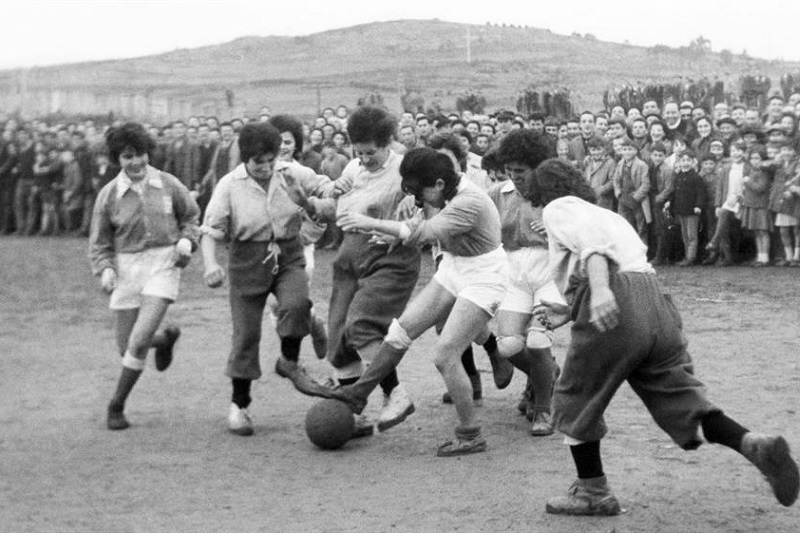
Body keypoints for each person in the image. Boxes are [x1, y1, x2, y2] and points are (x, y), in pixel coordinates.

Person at [526, 157, 799, 515]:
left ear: (543, 192)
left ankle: (593, 493)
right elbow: (619, 261)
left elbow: (594, 249)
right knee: (680, 396)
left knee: (575, 398)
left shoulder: (559, 208)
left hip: (616, 298)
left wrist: (603, 292)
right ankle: (751, 444)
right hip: (655, 302)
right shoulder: (608, 214)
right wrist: (571, 308)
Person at [333, 147, 508, 456]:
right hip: (455, 266)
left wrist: (368, 222)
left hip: (484, 276)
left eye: (419, 193)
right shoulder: (443, 190)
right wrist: (402, 223)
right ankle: (359, 393)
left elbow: (423, 232)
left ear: (439, 184)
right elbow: (416, 223)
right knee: (399, 331)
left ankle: (470, 434)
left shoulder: (469, 201)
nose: (416, 199)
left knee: (445, 354)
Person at [200, 122, 334, 437]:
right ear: (245, 158)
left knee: (297, 303)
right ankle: (239, 405)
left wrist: (313, 200)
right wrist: (209, 265)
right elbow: (211, 231)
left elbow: (329, 188)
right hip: (247, 260)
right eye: (257, 161)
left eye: (269, 160)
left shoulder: (291, 172)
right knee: (246, 336)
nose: (264, 167)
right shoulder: (229, 185)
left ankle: (289, 361)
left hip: (288, 253)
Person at [310, 106, 422, 436]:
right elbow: (339, 211)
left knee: (362, 325)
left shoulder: (407, 170)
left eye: (370, 152)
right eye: (359, 152)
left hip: (389, 257)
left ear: (388, 142)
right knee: (339, 342)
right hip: (349, 257)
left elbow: (422, 214)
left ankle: (395, 394)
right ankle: (352, 414)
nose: (364, 158)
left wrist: (406, 207)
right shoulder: (353, 167)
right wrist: (310, 203)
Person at [89, 122, 201, 430]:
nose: (136, 162)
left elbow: (191, 217)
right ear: (117, 159)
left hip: (163, 263)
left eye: (140, 154)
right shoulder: (108, 195)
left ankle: (116, 405)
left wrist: (188, 241)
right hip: (126, 269)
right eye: (127, 157)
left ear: (148, 152)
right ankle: (165, 339)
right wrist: (106, 269)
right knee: (126, 348)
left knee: (138, 342)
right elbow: (99, 244)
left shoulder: (168, 184)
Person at [492, 129, 565, 435]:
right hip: (513, 270)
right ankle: (546, 374)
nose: (514, 176)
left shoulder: (558, 195)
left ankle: (545, 410)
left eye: (520, 171)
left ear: (539, 167)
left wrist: (556, 235)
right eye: (509, 170)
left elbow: (583, 235)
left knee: (537, 341)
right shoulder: (498, 194)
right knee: (508, 345)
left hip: (549, 269)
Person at [740, 145, 774, 266]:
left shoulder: (764, 172)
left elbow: (760, 188)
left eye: (757, 158)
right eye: (753, 158)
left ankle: (765, 257)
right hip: (751, 205)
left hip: (761, 206)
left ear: (762, 159)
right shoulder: (751, 171)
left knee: (763, 231)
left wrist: (747, 181)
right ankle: (760, 256)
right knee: (756, 232)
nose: (755, 160)